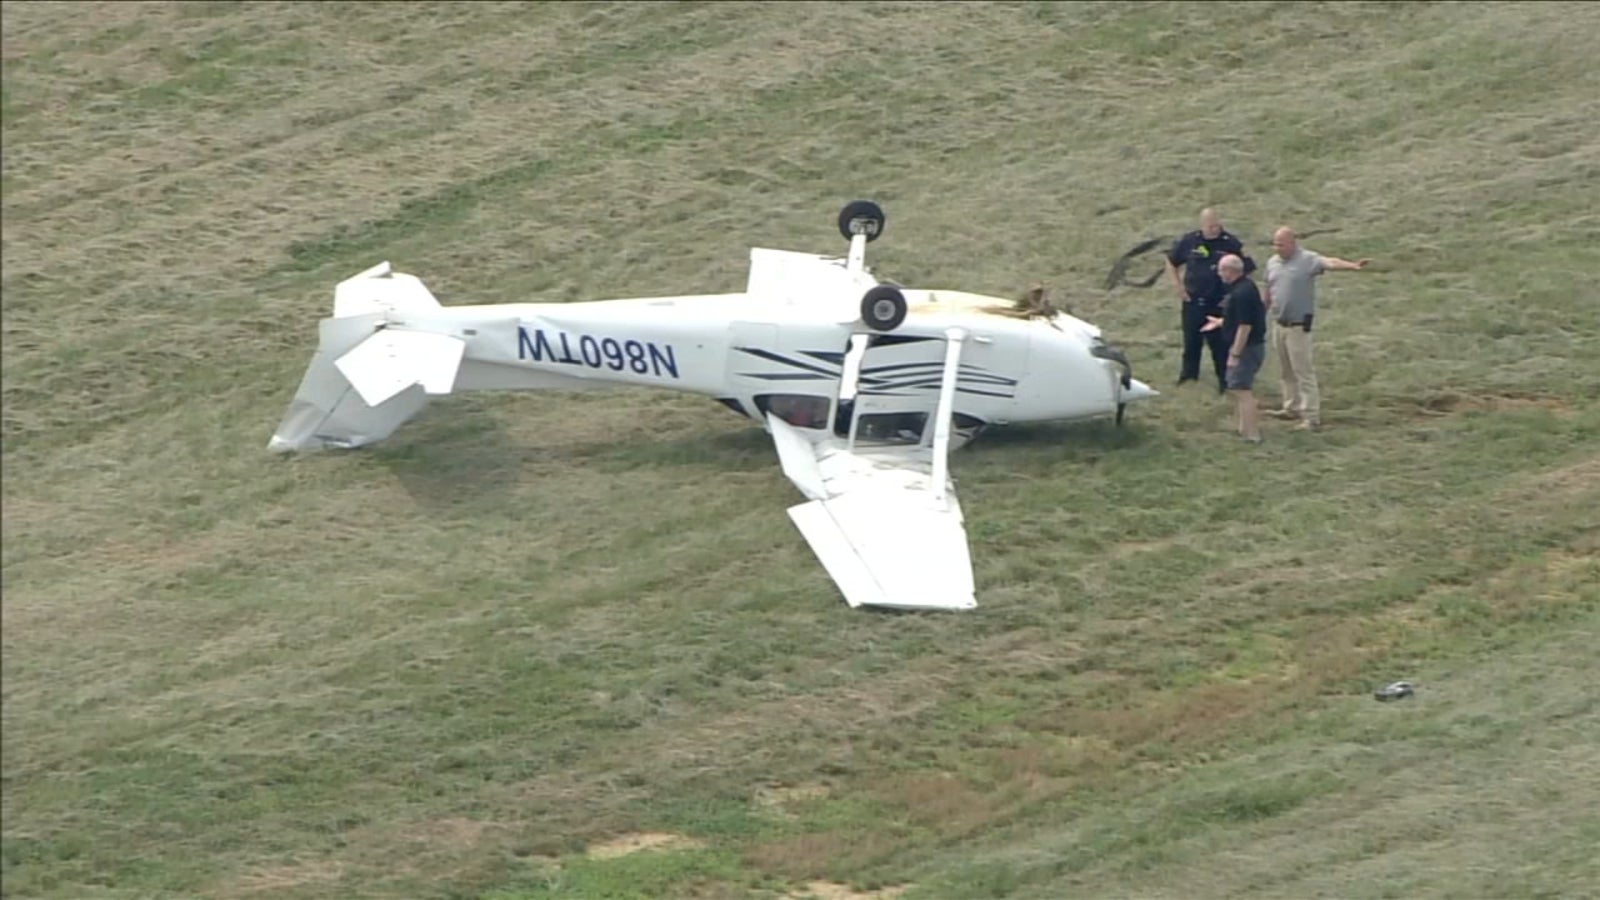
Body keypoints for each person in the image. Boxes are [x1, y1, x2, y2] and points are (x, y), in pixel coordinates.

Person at [1263, 227, 1372, 430]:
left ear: (1293, 243)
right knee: (1286, 370)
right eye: (1275, 244)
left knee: (1303, 371)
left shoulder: (1307, 259)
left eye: (1281, 244)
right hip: (1279, 324)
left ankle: (1311, 416)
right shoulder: (1272, 263)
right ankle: (1291, 407)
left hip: (1298, 327)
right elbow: (1268, 288)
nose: (1277, 248)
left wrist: (1352, 266)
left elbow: (1329, 262)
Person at [1165, 208, 1255, 392]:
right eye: (1211, 225)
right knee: (1191, 342)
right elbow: (1171, 262)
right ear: (1202, 225)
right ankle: (1189, 377)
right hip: (1193, 302)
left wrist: (1233, 294)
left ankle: (1225, 381)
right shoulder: (1190, 241)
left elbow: (1246, 267)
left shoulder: (1230, 243)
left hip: (1219, 304)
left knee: (1220, 345)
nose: (1215, 229)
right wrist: (1178, 286)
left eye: (1217, 225)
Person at [1202, 255, 1267, 442]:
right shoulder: (1245, 287)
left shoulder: (1241, 293)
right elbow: (1239, 319)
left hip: (1247, 348)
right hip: (1249, 347)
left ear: (1231, 271)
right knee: (1237, 388)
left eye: (1222, 270)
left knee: (1242, 390)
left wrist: (1235, 354)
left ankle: (1252, 434)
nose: (1219, 273)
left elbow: (1245, 326)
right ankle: (1243, 428)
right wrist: (1220, 322)